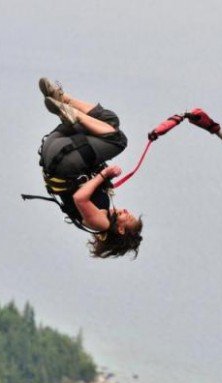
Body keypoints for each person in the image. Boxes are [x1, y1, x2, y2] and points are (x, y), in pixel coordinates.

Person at [36, 78, 143, 258]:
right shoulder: (104, 210)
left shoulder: (101, 224)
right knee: (111, 121)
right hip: (56, 147)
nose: (126, 211)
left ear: (122, 230)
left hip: (63, 160)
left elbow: (80, 198)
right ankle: (62, 99)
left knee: (119, 140)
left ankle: (72, 112)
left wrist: (105, 174)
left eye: (128, 217)